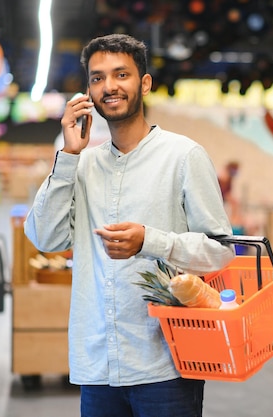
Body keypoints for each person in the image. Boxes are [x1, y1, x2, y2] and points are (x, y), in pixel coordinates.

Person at [24, 33, 235, 417]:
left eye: (121, 74)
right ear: (88, 90)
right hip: (98, 364)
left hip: (165, 363)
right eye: (98, 78)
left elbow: (220, 250)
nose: (109, 86)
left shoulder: (183, 156)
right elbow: (45, 237)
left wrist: (150, 241)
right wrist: (69, 155)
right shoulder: (82, 165)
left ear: (145, 83)